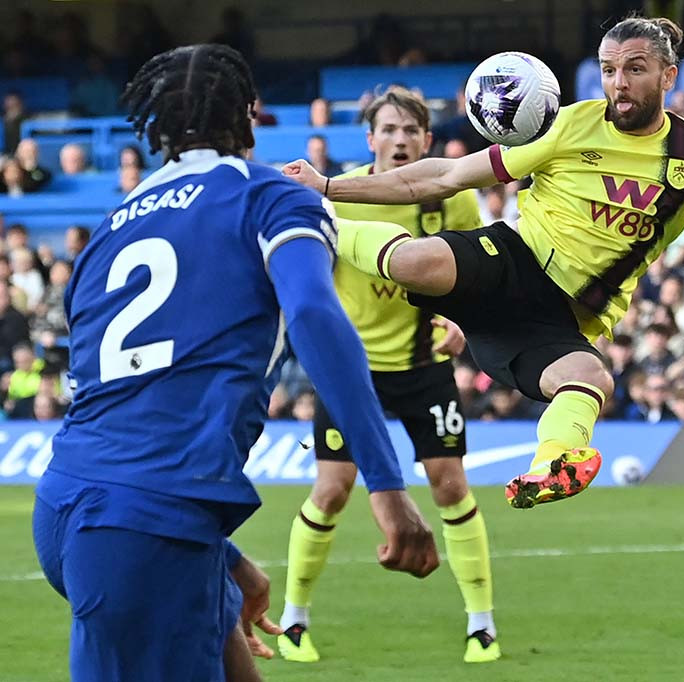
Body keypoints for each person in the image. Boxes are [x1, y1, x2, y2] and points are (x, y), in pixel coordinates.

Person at [283, 15, 684, 509]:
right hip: (513, 261)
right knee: (417, 261)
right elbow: (447, 176)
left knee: (590, 377)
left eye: (635, 69)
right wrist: (328, 187)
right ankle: (320, 222)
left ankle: (551, 466)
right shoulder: (569, 124)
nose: (619, 83)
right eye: (608, 70)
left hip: (562, 317)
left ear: (668, 76)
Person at [31, 44, 439, 682]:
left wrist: (223, 557)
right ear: (249, 116)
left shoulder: (108, 230)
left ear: (159, 127)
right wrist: (386, 485)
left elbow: (111, 402)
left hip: (70, 502)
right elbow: (315, 315)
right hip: (146, 522)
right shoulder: (272, 197)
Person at [279, 87, 500, 665]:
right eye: (389, 130)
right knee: (331, 491)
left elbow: (476, 274)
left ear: (426, 141)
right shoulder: (337, 196)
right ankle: (294, 621)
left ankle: (481, 626)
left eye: (410, 131)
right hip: (350, 372)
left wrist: (464, 320)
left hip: (424, 367)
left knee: (450, 486)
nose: (399, 140)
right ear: (370, 138)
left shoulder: (451, 198)